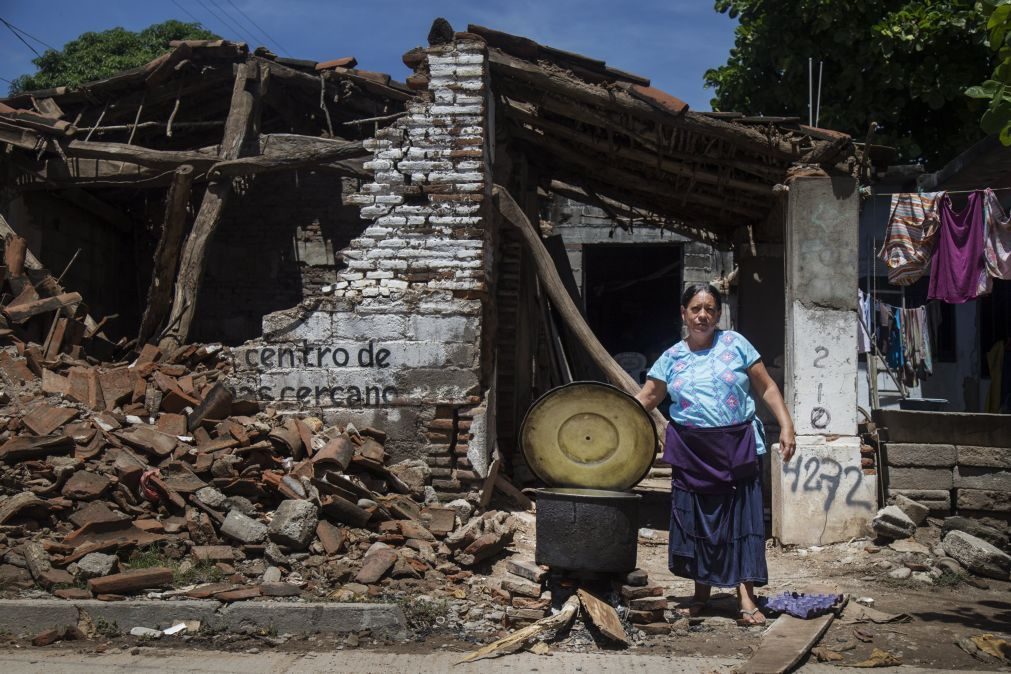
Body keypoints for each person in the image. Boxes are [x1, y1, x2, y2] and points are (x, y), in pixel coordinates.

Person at [635, 283, 797, 626]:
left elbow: (766, 386)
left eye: (709, 308)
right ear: (684, 314)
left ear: (718, 314)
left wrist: (786, 425)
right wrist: (608, 423)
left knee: (741, 520)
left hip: (736, 445)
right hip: (692, 449)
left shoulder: (736, 345)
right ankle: (701, 594)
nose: (702, 315)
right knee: (697, 522)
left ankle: (746, 598)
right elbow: (647, 397)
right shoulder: (672, 357)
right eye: (695, 308)